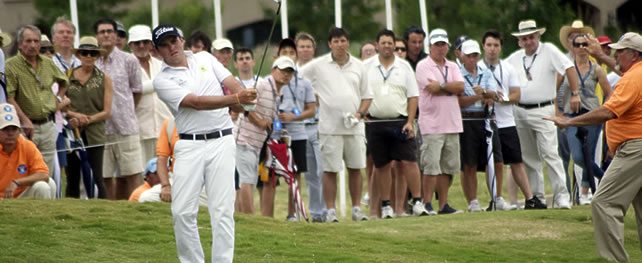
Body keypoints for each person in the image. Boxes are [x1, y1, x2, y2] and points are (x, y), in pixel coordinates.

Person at [152, 24, 257, 263]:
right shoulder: (162, 80)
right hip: (189, 145)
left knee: (222, 212)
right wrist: (235, 99)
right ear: (158, 51)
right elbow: (196, 102)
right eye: (164, 45)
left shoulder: (205, 58)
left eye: (174, 41)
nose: (171, 47)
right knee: (181, 212)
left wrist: (246, 98)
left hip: (222, 140)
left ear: (181, 40)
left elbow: (232, 83)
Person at [545, 32, 642, 263]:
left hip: (636, 148)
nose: (616, 54)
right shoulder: (635, 73)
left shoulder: (632, 78)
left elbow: (609, 110)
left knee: (604, 203)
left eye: (621, 50)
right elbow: (620, 69)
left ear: (634, 54)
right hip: (634, 146)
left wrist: (569, 121)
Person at [300, 27, 372, 223]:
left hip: (354, 126)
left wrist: (359, 114)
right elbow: (298, 78)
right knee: (330, 170)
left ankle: (356, 208)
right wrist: (310, 99)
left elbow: (367, 96)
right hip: (329, 127)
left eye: (343, 41)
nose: (340, 44)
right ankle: (330, 210)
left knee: (355, 168)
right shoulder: (319, 65)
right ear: (330, 44)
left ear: (348, 42)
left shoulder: (359, 66)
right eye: (336, 41)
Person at [505, 20, 577, 209]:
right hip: (519, 110)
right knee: (529, 157)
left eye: (531, 37)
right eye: (524, 38)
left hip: (543, 108)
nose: (528, 41)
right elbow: (500, 72)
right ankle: (538, 198)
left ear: (538, 36)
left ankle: (562, 196)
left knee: (550, 153)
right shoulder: (514, 58)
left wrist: (576, 94)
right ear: (519, 41)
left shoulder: (549, 50)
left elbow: (569, 67)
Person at [364, 29, 429, 218]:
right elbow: (358, 90)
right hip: (375, 122)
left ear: (394, 45)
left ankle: (417, 201)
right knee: (382, 165)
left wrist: (410, 121)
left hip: (400, 121)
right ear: (377, 45)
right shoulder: (367, 66)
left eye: (389, 43)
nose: (386, 46)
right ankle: (386, 205)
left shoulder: (404, 66)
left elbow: (413, 96)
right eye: (383, 42)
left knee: (409, 161)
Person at [479, 30, 547, 209]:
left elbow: (516, 94)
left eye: (496, 45)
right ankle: (496, 198)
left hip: (507, 121)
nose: (492, 49)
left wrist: (502, 99)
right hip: (486, 121)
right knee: (493, 162)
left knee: (516, 161)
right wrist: (487, 96)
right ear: (483, 46)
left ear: (500, 47)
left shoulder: (507, 68)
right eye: (489, 45)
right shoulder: (478, 67)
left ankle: (530, 198)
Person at [5, 25, 69, 181]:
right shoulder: (11, 65)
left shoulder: (48, 63)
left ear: (40, 44)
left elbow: (65, 81)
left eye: (36, 41)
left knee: (46, 171)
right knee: (24, 168)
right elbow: (10, 97)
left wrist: (58, 99)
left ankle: (47, 203)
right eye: (28, 41)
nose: (33, 45)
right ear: (20, 44)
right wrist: (25, 120)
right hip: (25, 127)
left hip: (48, 124)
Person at [235, 56, 296, 216]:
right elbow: (245, 105)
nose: (286, 75)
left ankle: (245, 216)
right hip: (243, 140)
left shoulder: (277, 91)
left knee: (250, 180)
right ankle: (249, 219)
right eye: (283, 70)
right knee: (246, 180)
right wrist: (260, 121)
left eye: (289, 72)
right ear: (273, 70)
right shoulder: (262, 85)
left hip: (256, 143)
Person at [415, 28, 464, 215]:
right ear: (430, 46)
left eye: (443, 44)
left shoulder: (453, 65)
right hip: (432, 124)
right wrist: (449, 88)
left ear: (448, 46)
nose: (440, 48)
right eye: (437, 44)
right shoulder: (423, 66)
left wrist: (443, 86)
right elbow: (431, 88)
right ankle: (427, 204)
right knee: (431, 166)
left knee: (447, 168)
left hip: (452, 122)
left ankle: (443, 205)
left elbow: (460, 87)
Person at [94, 18, 144, 200]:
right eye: (102, 32)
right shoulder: (91, 61)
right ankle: (111, 215)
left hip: (126, 127)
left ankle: (138, 211)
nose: (106, 34)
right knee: (105, 176)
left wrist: (125, 111)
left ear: (116, 36)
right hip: (100, 130)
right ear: (96, 36)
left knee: (133, 173)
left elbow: (137, 91)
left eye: (110, 31)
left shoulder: (129, 60)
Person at [558, 34, 611, 205]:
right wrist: (558, 112)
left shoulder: (596, 69)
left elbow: (609, 92)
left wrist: (604, 110)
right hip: (571, 115)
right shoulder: (565, 68)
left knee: (588, 153)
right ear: (572, 47)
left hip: (592, 115)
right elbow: (555, 91)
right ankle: (606, 179)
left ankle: (587, 193)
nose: (581, 47)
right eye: (578, 44)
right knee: (578, 156)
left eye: (585, 44)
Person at [266, 39, 316, 221]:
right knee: (271, 174)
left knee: (295, 172)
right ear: (277, 56)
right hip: (275, 133)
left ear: (296, 56)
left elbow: (312, 109)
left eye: (291, 52)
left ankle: (293, 213)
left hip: (298, 132)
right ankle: (267, 216)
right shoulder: (268, 81)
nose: (288, 55)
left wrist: (294, 117)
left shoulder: (305, 82)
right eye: (284, 51)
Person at [456, 39, 507, 212]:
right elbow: (459, 101)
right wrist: (480, 96)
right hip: (467, 120)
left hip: (486, 118)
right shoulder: (458, 74)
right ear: (462, 56)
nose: (472, 59)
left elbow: (494, 95)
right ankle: (473, 202)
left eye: (475, 55)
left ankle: (497, 197)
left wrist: (484, 93)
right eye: (469, 55)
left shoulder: (485, 73)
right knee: (469, 163)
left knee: (497, 161)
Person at [64, 36, 113, 199]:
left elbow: (107, 111)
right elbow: (59, 104)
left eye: (92, 53)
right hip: (72, 132)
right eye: (84, 52)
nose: (88, 56)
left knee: (97, 175)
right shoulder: (66, 76)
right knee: (72, 176)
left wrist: (88, 119)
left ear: (97, 56)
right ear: (78, 55)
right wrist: (74, 116)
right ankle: (70, 212)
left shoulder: (104, 78)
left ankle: (103, 210)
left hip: (95, 133)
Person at [128, 25, 172, 164]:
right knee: (144, 175)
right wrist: (156, 84)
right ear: (130, 45)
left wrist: (142, 88)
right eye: (137, 43)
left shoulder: (162, 65)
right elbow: (127, 93)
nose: (141, 46)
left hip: (165, 128)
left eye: (145, 42)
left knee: (168, 174)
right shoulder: (125, 66)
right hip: (139, 132)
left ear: (151, 44)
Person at [294, 32, 325, 222]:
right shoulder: (291, 72)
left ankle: (326, 210)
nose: (305, 50)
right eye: (302, 46)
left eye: (308, 46)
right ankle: (315, 213)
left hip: (320, 125)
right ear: (296, 50)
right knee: (309, 174)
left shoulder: (322, 71)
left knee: (324, 171)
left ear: (314, 49)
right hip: (300, 127)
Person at [0, 103, 56, 199]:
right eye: (5, 129)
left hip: (22, 195)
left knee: (47, 184)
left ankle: (45, 214)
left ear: (19, 131)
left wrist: (17, 182)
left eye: (14, 129)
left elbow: (44, 174)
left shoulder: (27, 146)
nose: (10, 133)